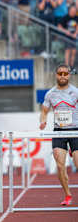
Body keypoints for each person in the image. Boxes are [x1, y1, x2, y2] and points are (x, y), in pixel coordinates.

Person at [40, 64, 78, 206]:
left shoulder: (75, 92)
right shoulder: (50, 94)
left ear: (69, 75)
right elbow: (44, 111)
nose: (62, 76)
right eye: (60, 73)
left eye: (65, 74)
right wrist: (43, 122)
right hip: (59, 131)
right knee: (60, 165)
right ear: (56, 75)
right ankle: (68, 195)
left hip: (75, 130)